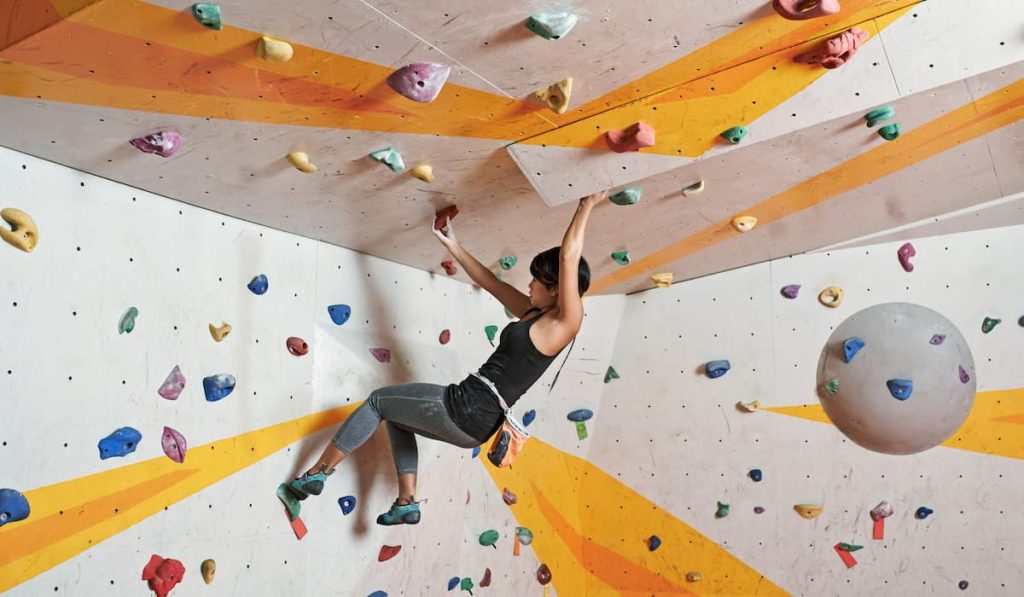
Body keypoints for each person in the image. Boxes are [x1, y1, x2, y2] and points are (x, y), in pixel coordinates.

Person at [281, 190, 606, 525]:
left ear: (556, 288)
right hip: (476, 427)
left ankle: (316, 474)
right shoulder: (532, 315)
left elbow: (569, 256)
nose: (529, 283)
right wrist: (452, 244)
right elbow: (490, 281)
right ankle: (406, 502)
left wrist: (586, 205)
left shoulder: (564, 324)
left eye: (537, 279)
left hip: (465, 406)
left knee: (378, 402)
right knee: (396, 416)